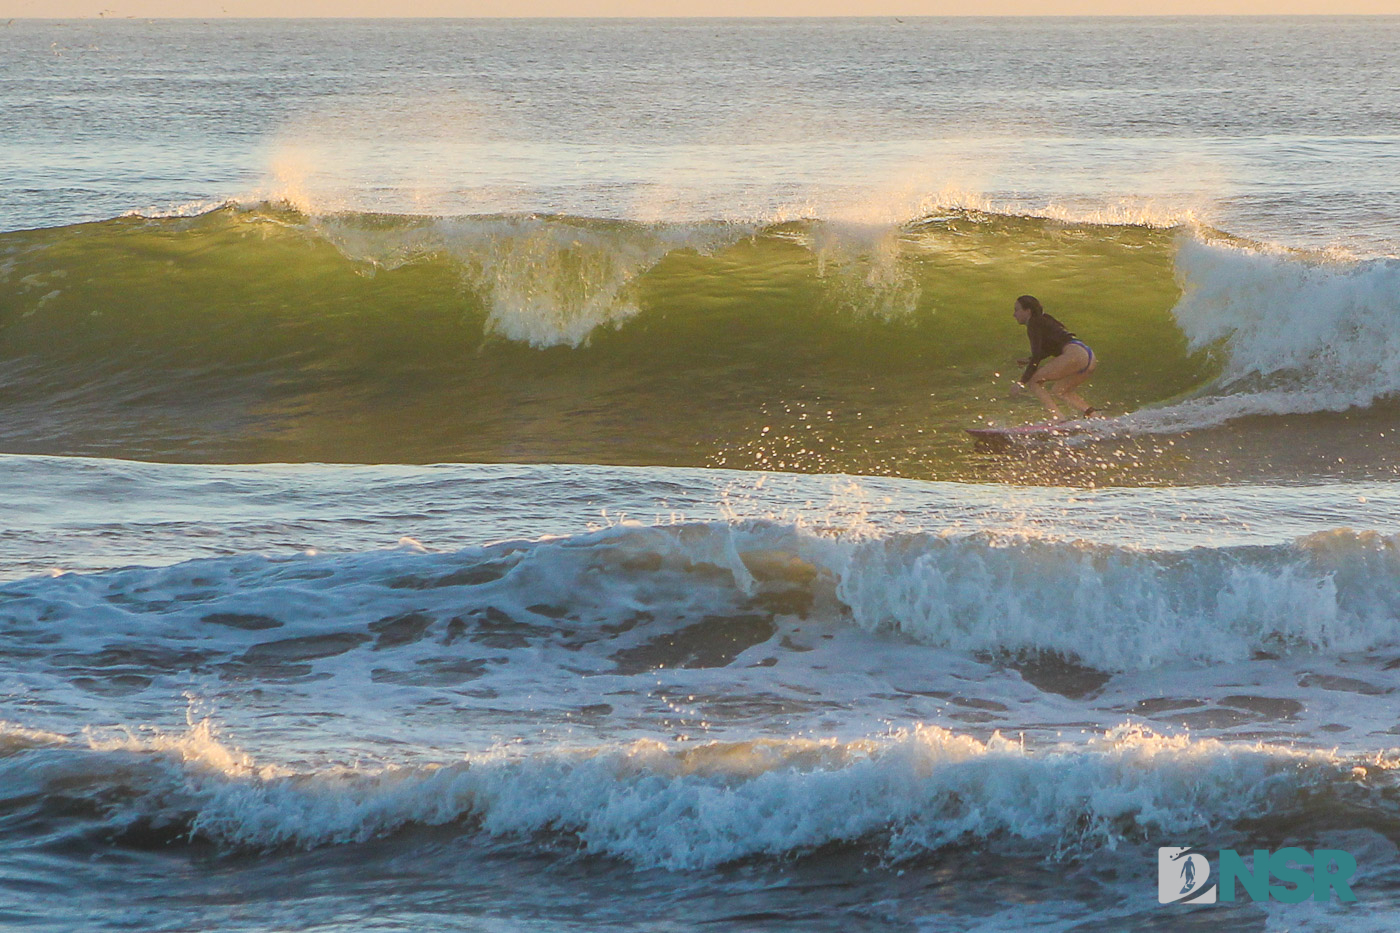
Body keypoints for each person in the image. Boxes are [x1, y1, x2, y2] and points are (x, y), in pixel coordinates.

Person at [1009, 294, 1098, 421]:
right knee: (1060, 390)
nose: (1014, 314)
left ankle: (1058, 419)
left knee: (1034, 382)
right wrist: (1029, 359)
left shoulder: (1033, 323)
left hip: (1074, 354)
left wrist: (1021, 382)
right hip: (1087, 355)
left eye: (1017, 310)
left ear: (1028, 311)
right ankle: (1094, 415)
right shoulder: (1045, 319)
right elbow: (1052, 345)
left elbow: (1036, 357)